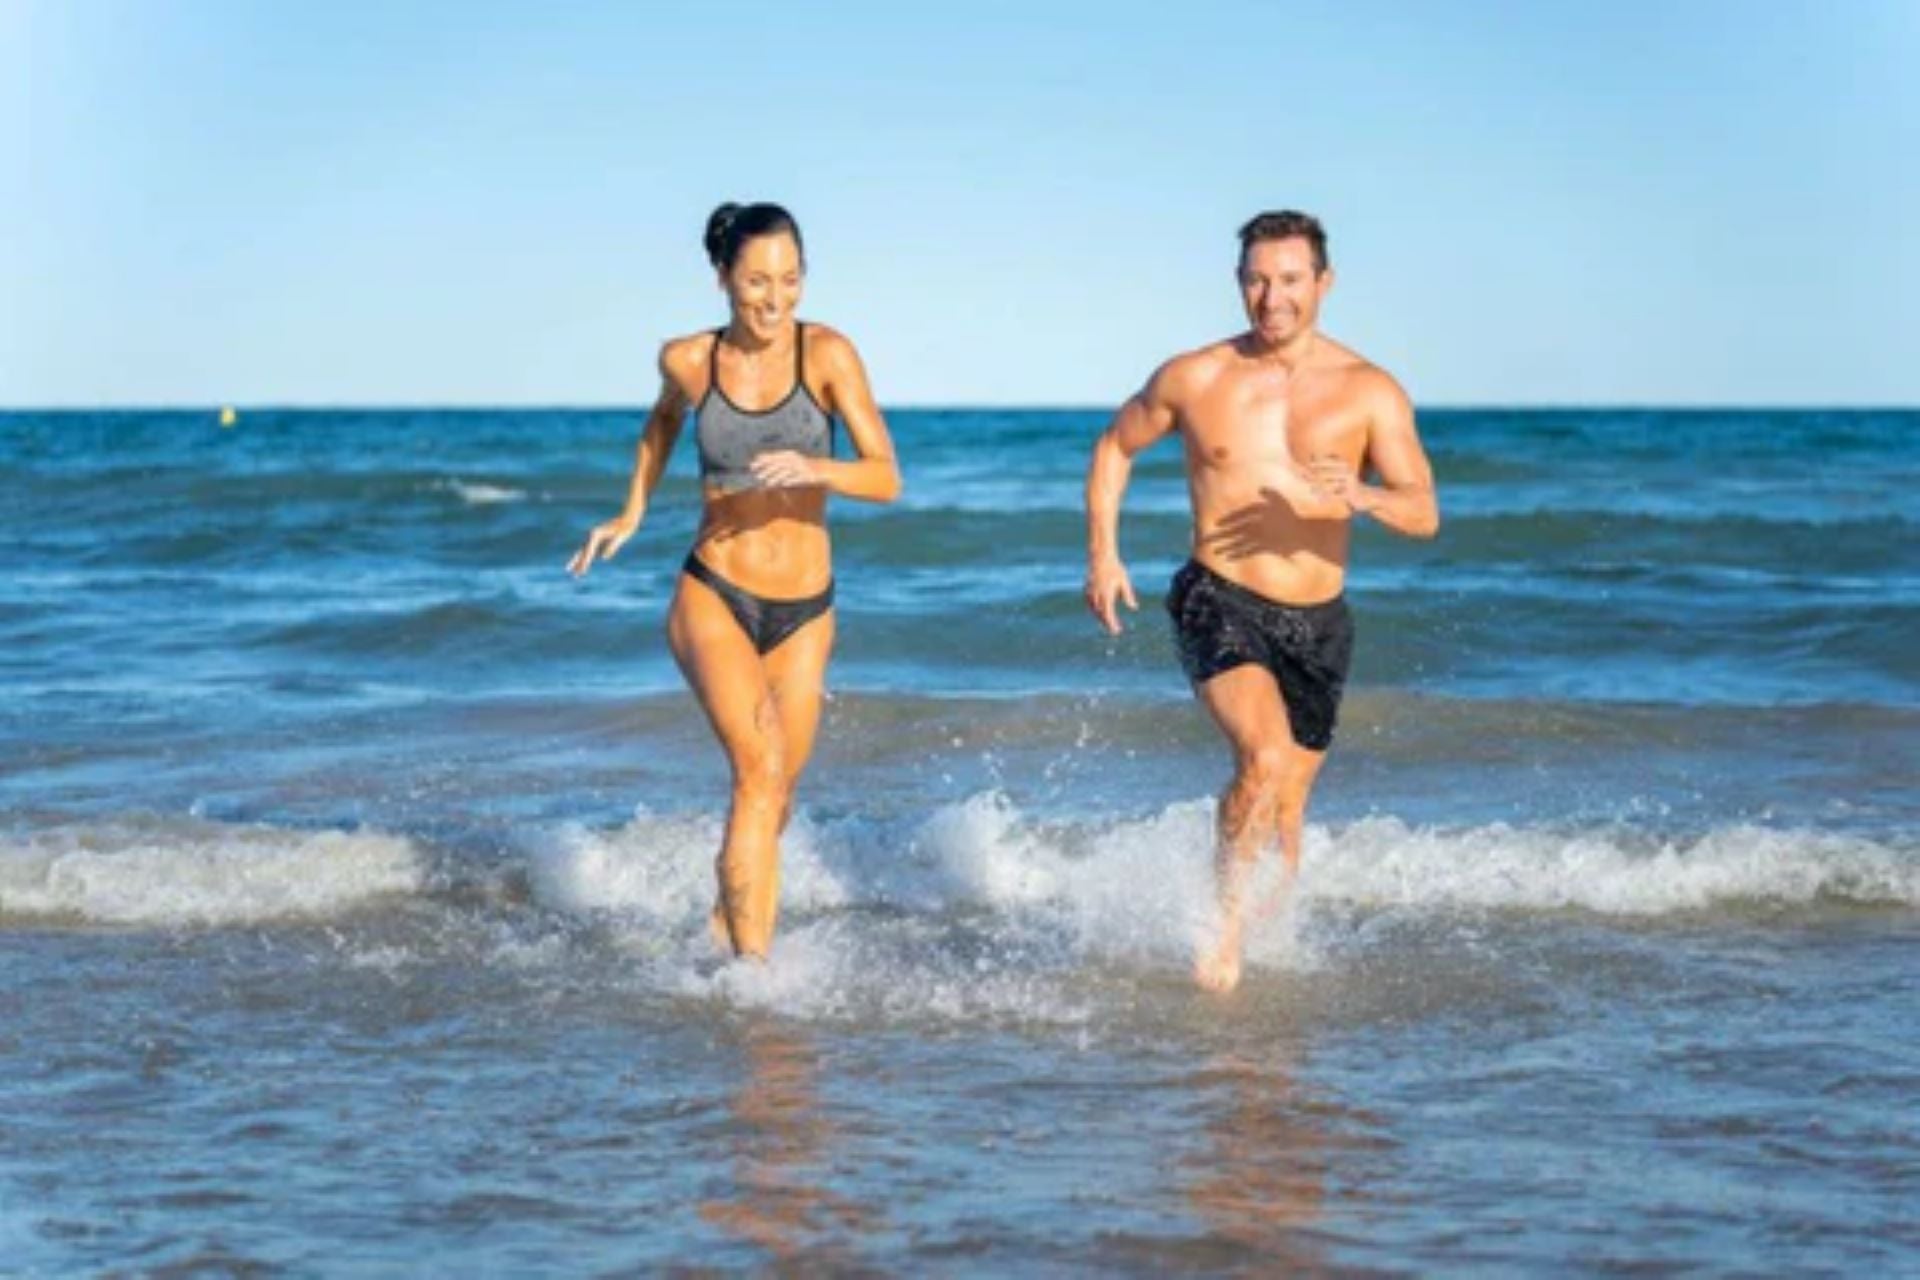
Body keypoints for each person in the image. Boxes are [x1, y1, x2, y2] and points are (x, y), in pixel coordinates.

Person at [1083, 210, 1438, 992]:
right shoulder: (1196, 376)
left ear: (1323, 283)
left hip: (1320, 622)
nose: (1270, 297)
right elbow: (1114, 447)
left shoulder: (1370, 391)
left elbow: (1424, 510)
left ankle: (1261, 938)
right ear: (1238, 281)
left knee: (1286, 812)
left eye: (1288, 280)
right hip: (1219, 595)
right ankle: (1222, 935)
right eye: (1256, 279)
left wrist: (1367, 497)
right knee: (1264, 758)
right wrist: (1104, 554)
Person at [569, 202, 901, 960]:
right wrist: (629, 513)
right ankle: (758, 986)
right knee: (757, 771)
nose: (775, 299)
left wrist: (819, 466)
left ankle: (723, 931)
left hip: (807, 609)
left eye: (790, 279)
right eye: (756, 281)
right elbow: (662, 425)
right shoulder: (689, 360)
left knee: (777, 790)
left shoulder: (828, 355)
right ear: (723, 277)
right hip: (714, 591)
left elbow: (887, 477)